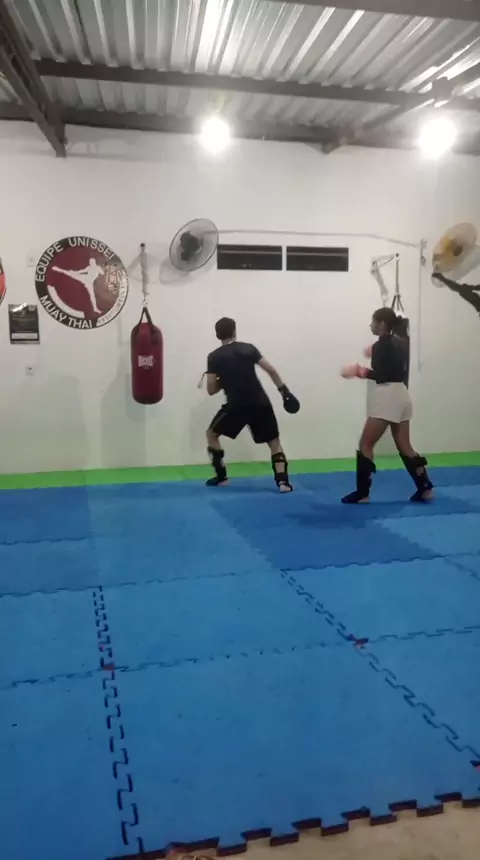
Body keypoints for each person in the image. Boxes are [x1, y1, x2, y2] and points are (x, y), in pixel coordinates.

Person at [341, 307, 433, 504]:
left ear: (382, 323)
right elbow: (393, 366)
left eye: (373, 322)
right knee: (405, 446)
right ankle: (425, 488)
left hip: (388, 396)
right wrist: (374, 350)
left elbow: (382, 375)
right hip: (402, 395)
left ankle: (363, 493)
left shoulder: (382, 346)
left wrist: (360, 371)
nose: (370, 325)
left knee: (366, 444)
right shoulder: (399, 343)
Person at [204, 317, 299, 492]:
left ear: (217, 335)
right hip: (260, 402)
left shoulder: (214, 357)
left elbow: (211, 390)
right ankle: (283, 483)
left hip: (236, 406)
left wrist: (222, 377)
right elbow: (271, 370)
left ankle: (222, 477)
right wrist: (285, 392)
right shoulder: (249, 348)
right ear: (234, 331)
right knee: (274, 441)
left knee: (212, 434)